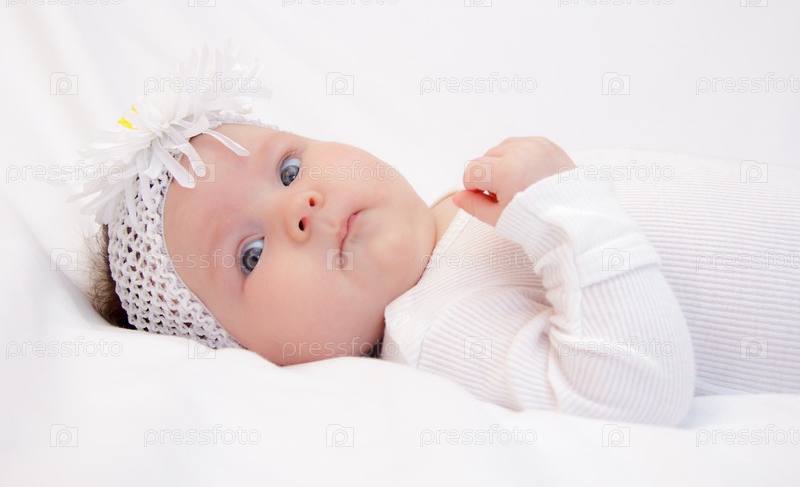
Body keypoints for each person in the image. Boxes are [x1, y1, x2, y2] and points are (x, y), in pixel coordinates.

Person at [80, 44, 800, 426]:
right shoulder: (432, 329)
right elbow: (633, 396)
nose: (300, 206)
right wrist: (564, 206)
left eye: (289, 167)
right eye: (251, 253)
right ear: (248, 353)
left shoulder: (459, 219)